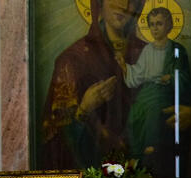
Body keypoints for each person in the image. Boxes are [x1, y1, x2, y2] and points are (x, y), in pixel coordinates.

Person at [40, 0, 146, 169]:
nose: (123, 6)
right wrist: (84, 109)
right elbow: (54, 137)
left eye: (131, 1)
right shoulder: (72, 60)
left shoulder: (150, 55)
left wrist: (189, 113)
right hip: (91, 175)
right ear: (99, 4)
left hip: (141, 173)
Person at [122, 6, 191, 178]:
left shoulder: (177, 50)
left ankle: (152, 145)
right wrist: (124, 67)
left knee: (155, 109)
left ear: (169, 26)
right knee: (134, 114)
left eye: (159, 24)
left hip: (166, 92)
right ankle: (139, 151)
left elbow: (184, 77)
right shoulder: (147, 50)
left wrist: (171, 77)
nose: (155, 28)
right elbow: (138, 73)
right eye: (152, 24)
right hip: (149, 90)